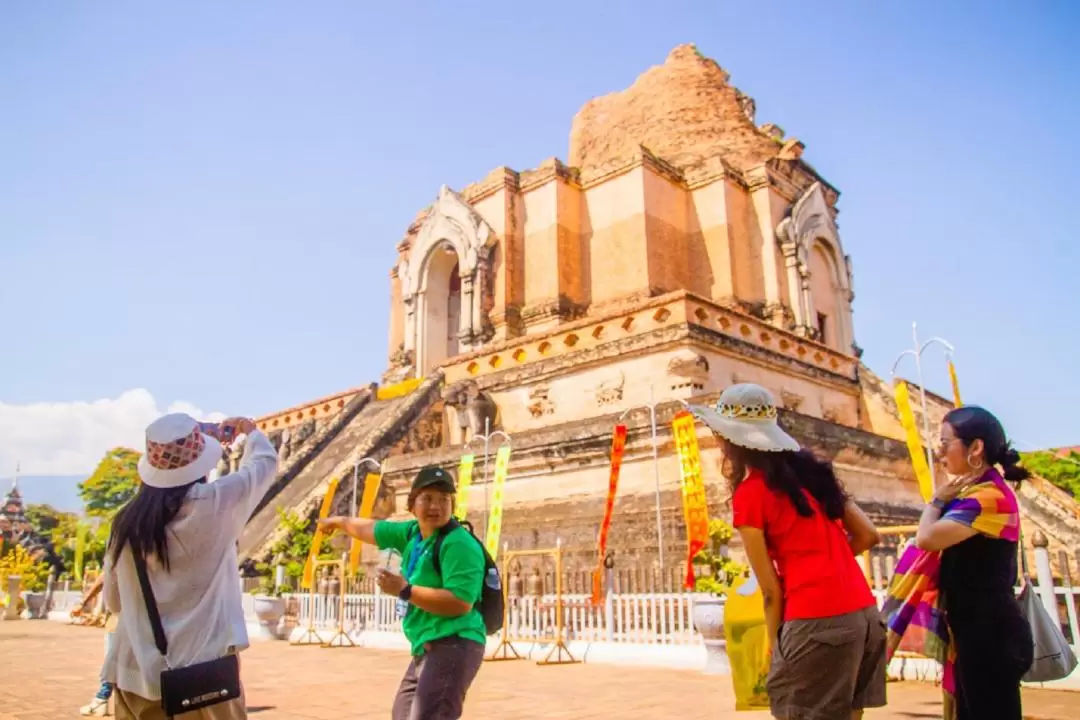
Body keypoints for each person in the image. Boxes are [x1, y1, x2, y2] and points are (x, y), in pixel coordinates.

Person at [692, 384, 885, 720]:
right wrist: (827, 562)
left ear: (733, 442)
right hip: (864, 616)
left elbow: (770, 591)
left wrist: (772, 643)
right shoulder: (815, 476)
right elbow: (868, 535)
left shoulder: (751, 495)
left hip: (815, 622)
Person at [102, 414, 279, 719]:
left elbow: (114, 602)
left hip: (132, 673)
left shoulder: (126, 522)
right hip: (203, 677)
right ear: (202, 464)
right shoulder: (217, 503)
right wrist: (250, 433)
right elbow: (263, 464)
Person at [886, 405, 1032, 720]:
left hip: (991, 636)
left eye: (944, 442)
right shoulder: (975, 495)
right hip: (975, 632)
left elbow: (927, 539)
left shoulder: (989, 498)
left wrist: (936, 501)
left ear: (975, 448)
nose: (939, 452)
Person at [320, 465, 487, 720]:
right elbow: (371, 529)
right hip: (427, 644)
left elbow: (461, 602)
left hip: (454, 643)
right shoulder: (412, 533)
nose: (436, 506)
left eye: (444, 500)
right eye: (427, 498)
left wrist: (405, 590)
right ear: (412, 504)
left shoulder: (458, 544)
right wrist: (339, 522)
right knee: (402, 713)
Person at [75, 573, 117, 716]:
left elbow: (104, 576)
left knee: (112, 659)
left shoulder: (123, 551)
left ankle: (102, 698)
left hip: (120, 616)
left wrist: (83, 602)